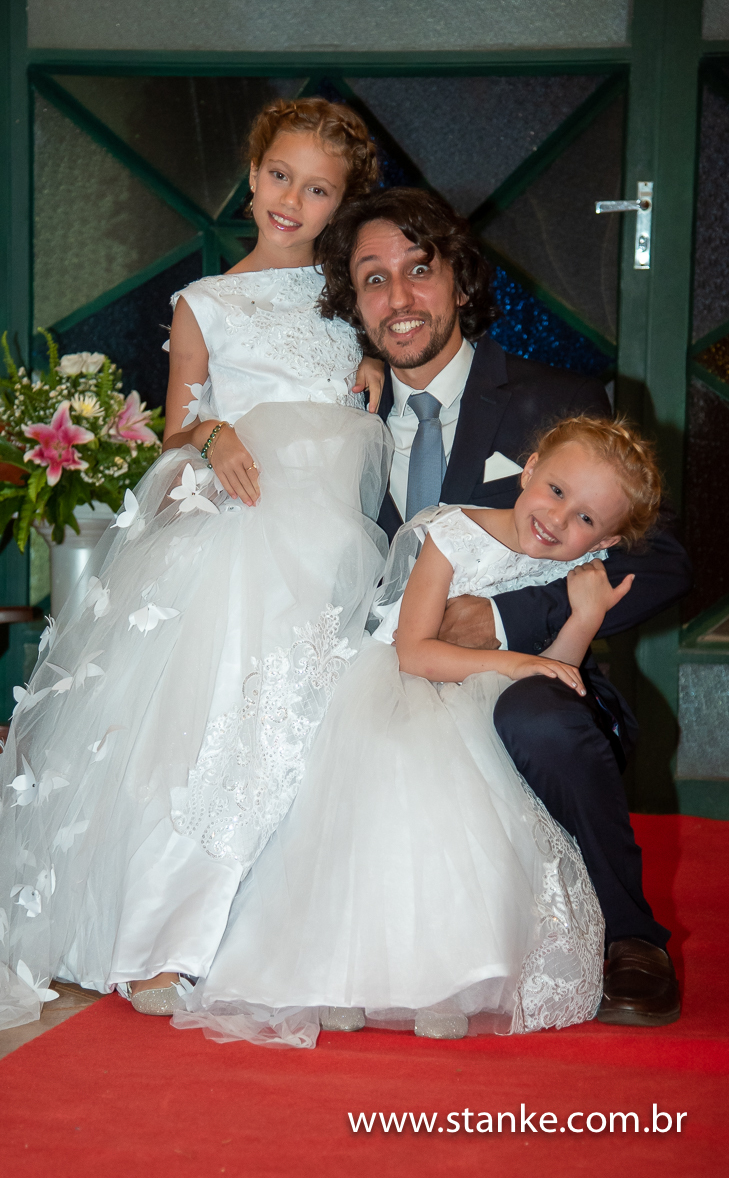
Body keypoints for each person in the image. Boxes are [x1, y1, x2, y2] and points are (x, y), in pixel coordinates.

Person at [0, 97, 393, 1035]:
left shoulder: (352, 300)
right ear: (250, 173)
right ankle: (160, 939)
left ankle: (276, 936)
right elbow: (177, 429)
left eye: (316, 190)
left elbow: (377, 388)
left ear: (340, 204)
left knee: (306, 733)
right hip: (238, 538)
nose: (289, 201)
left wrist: (373, 369)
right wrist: (213, 430)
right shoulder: (205, 303)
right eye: (277, 178)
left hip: (333, 548)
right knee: (209, 725)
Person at [314, 188, 689, 1027]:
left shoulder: (554, 396)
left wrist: (503, 622)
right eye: (372, 279)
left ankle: (630, 935)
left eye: (418, 269)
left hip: (517, 680)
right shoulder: (340, 411)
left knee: (541, 714)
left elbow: (659, 561)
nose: (398, 298)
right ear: (353, 301)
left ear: (457, 278)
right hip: (380, 678)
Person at [173, 414, 659, 1046]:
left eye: (587, 520)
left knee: (463, 840)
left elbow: (555, 678)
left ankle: (443, 978)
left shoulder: (566, 568)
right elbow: (413, 652)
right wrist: (511, 661)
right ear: (530, 467)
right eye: (557, 492)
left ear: (606, 538)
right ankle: (341, 977)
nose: (559, 521)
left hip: (484, 705)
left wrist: (586, 616)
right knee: (380, 822)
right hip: (399, 693)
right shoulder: (452, 533)